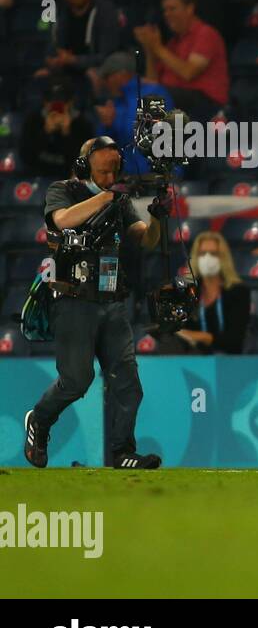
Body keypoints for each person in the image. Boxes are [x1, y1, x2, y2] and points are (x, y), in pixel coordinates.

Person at [24, 136, 164, 470]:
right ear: (85, 165)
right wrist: (107, 195)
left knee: (128, 382)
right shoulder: (63, 190)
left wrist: (158, 216)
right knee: (76, 381)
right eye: (103, 170)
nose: (109, 175)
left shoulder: (119, 200)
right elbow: (61, 221)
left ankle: (122, 452)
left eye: (114, 170)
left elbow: (145, 238)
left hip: (111, 300)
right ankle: (39, 420)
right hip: (72, 299)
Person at [134, 0, 229, 122]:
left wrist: (157, 47)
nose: (167, 14)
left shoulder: (205, 34)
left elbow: (188, 72)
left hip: (206, 104)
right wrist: (150, 49)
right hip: (177, 100)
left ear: (190, 8)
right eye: (165, 10)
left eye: (172, 9)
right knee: (135, 90)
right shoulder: (173, 42)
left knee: (155, 97)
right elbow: (153, 80)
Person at [158, 231, 251, 355]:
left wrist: (202, 337)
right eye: (202, 254)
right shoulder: (187, 290)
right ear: (195, 258)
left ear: (223, 258)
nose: (207, 258)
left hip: (228, 360)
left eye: (213, 254)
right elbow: (176, 329)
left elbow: (234, 340)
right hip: (193, 358)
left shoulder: (239, 292)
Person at [39, 0, 125, 86]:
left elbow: (108, 56)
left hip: (99, 69)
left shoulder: (105, 9)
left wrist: (74, 60)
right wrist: (52, 61)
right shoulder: (56, 11)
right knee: (40, 78)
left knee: (95, 75)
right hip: (67, 69)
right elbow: (52, 47)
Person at [91, 51, 173, 175]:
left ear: (121, 75)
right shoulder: (115, 102)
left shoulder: (153, 93)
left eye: (107, 77)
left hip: (156, 175)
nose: (105, 83)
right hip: (129, 178)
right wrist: (107, 125)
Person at [20, 81, 96, 177]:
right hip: (36, 176)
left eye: (61, 101)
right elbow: (26, 157)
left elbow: (82, 164)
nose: (54, 106)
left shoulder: (82, 124)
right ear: (44, 101)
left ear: (70, 102)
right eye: (50, 100)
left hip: (66, 180)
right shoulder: (33, 120)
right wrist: (45, 132)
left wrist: (66, 133)